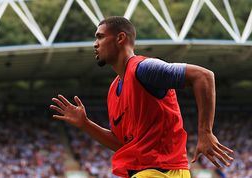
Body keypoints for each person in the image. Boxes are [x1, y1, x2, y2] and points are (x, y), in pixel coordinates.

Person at [50, 16, 233, 178]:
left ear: (121, 38)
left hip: (161, 171)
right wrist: (85, 124)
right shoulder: (114, 89)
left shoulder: (144, 68)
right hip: (146, 171)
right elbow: (123, 143)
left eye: (100, 37)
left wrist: (205, 132)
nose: (95, 43)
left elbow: (203, 76)